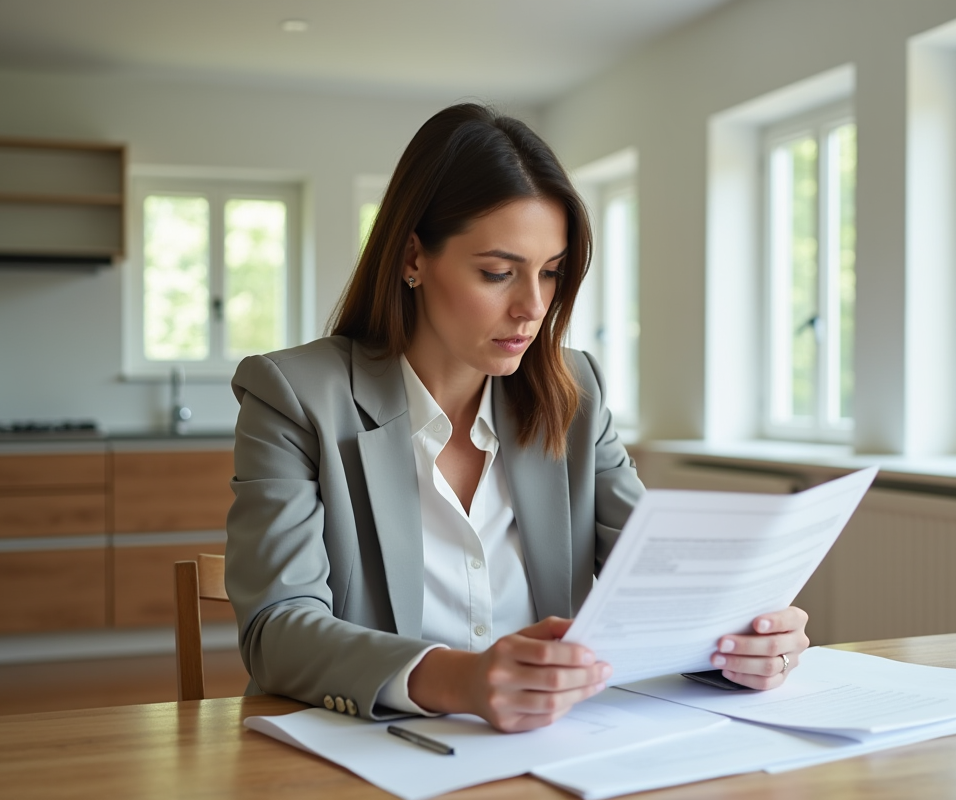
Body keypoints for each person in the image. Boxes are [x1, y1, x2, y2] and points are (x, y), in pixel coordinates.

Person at [225, 103, 809, 733]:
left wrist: (744, 637)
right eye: (498, 273)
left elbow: (657, 581)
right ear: (412, 258)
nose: (532, 308)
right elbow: (277, 629)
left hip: (553, 750)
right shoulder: (293, 395)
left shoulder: (574, 390)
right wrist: (461, 680)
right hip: (374, 755)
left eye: (551, 273)